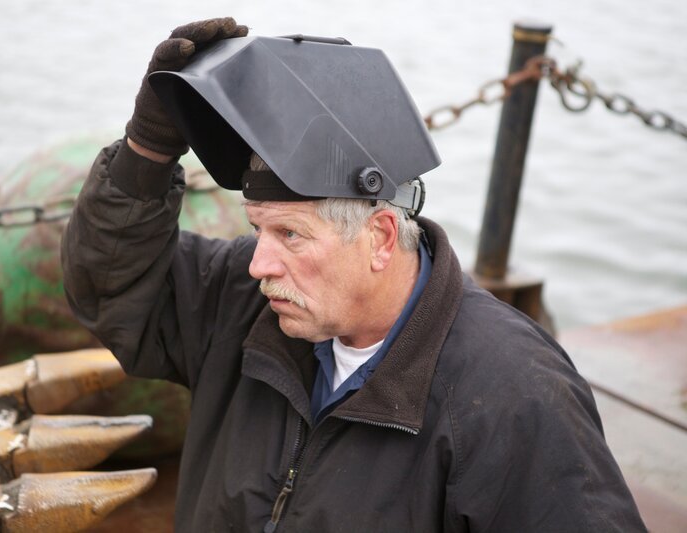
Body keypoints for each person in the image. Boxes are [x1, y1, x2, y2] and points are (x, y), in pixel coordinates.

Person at [62, 17, 646, 532]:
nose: (259, 263)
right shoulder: (245, 300)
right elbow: (112, 286)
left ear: (381, 238)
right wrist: (148, 150)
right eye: (257, 229)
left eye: (291, 235)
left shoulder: (512, 394)